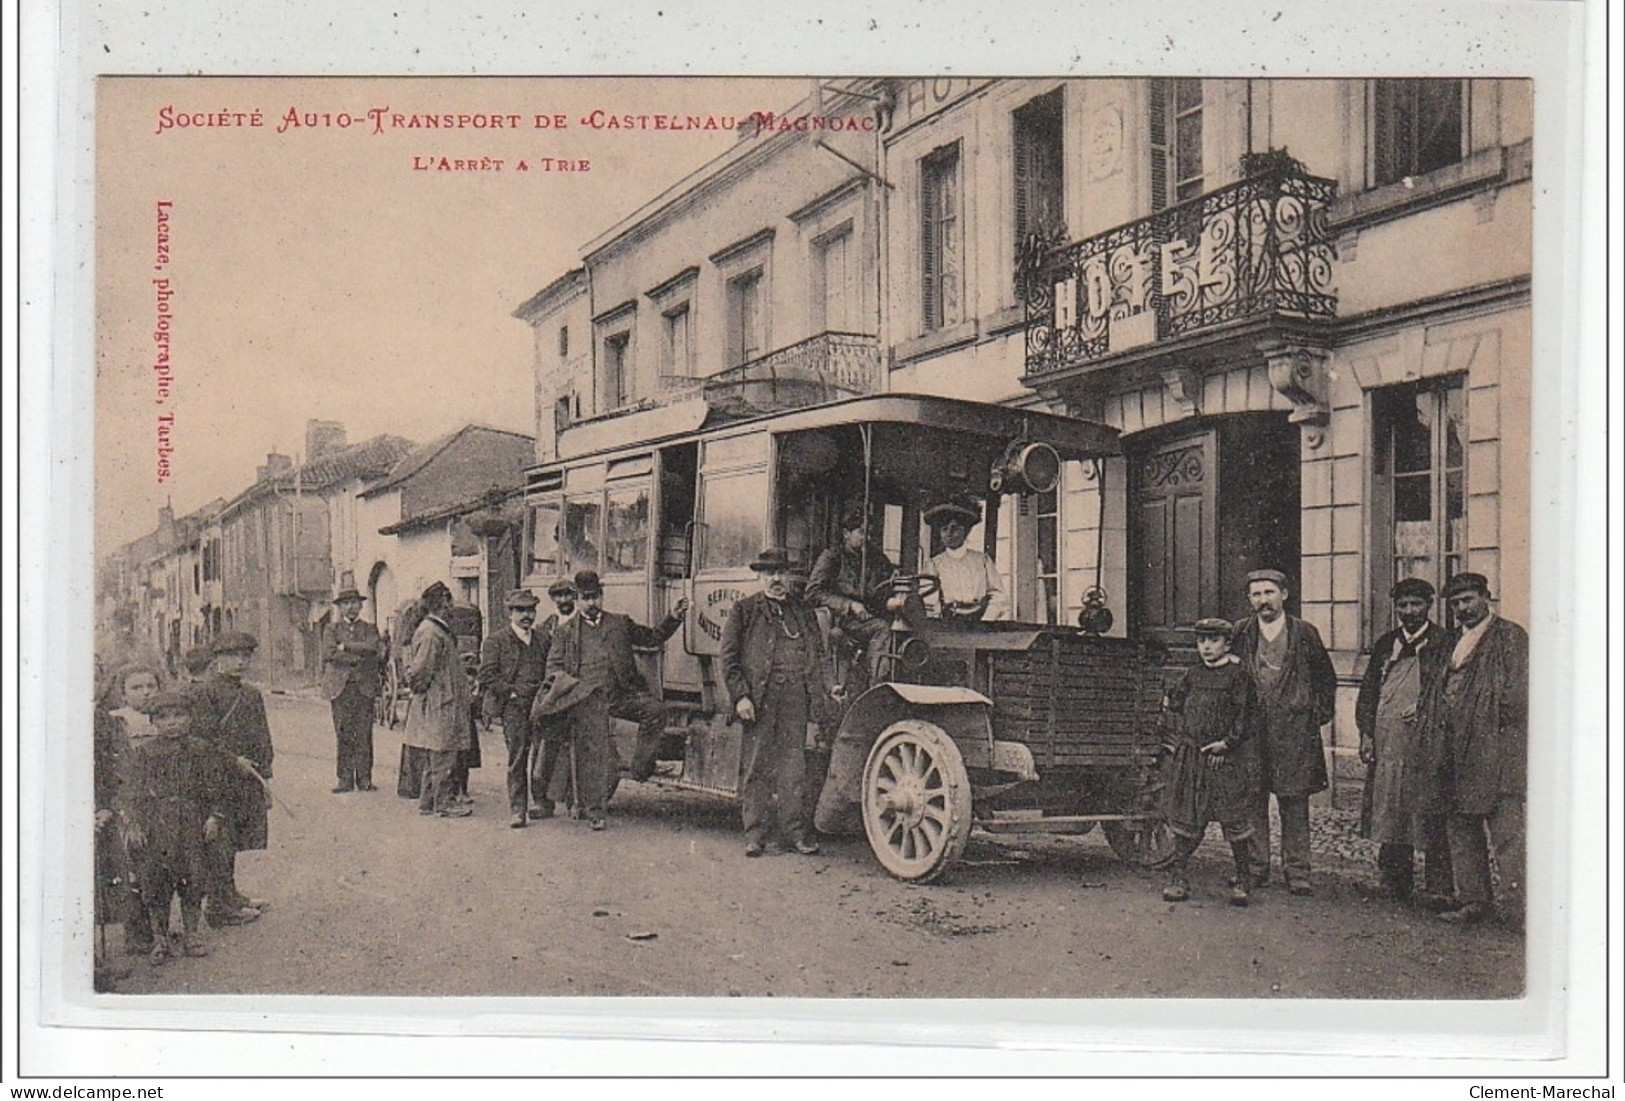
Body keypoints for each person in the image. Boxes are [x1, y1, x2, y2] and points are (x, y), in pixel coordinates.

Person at [1414, 572, 1529, 930]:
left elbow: (1517, 698)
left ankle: (1518, 910)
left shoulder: (1510, 637)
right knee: (1461, 829)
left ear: (1486, 598)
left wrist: (1482, 723)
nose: (1463, 608)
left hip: (1494, 752)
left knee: (1507, 834)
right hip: (1452, 752)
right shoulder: (1451, 642)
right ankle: (1474, 901)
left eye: (1469, 600)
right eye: (1456, 603)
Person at [722, 548, 842, 857]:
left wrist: (830, 687)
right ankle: (755, 835)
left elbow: (820, 656)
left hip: (795, 697)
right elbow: (730, 660)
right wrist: (741, 697)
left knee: (794, 767)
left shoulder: (802, 612)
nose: (776, 579)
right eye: (769, 573)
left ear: (788, 576)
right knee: (757, 764)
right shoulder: (744, 610)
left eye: (780, 572)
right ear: (760, 576)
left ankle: (795, 832)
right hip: (761, 698)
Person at [543, 570, 684, 829]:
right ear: (578, 599)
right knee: (596, 754)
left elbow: (652, 638)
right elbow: (553, 668)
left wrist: (673, 618)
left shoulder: (619, 623)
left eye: (596, 597)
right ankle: (596, 813)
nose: (592, 603)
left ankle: (641, 766)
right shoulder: (566, 633)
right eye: (586, 598)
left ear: (602, 595)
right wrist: (574, 689)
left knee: (656, 710)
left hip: (621, 696)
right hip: (586, 702)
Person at [1231, 569, 1336, 896]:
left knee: (1294, 801)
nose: (1263, 600)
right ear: (1250, 600)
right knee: (1253, 799)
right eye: (1256, 594)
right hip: (1251, 732)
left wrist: (1313, 715)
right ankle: (1255, 867)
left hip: (1293, 732)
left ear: (1284, 595)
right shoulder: (1241, 632)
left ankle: (1298, 871)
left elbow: (1325, 679)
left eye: (1269, 592)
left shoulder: (1305, 633)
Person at [116, 691, 235, 965]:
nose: (172, 722)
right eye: (164, 717)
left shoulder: (202, 751)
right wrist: (134, 823)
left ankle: (192, 933)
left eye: (179, 715)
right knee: (157, 883)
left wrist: (214, 816)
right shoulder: (143, 754)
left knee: (194, 880)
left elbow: (217, 788)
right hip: (157, 826)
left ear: (190, 718)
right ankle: (160, 938)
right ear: (153, 722)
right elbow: (132, 793)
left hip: (193, 825)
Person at [1354, 578, 1454, 905]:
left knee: (1430, 807)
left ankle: (1439, 887)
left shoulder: (1444, 642)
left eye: (1416, 604)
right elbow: (1369, 692)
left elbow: (1450, 689)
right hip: (1389, 741)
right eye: (1403, 605)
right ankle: (1395, 881)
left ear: (1429, 606)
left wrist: (1426, 706)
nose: (1409, 612)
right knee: (1391, 807)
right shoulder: (1386, 643)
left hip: (1427, 742)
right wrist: (1367, 734)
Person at [1156, 618, 1261, 905]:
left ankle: (1243, 880)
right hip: (1193, 757)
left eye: (1213, 640)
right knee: (1188, 818)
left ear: (1227, 644)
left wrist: (1227, 744)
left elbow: (1246, 717)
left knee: (1234, 819)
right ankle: (1178, 879)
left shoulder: (1239, 676)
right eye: (1201, 641)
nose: (1206, 647)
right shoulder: (1192, 675)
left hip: (1225, 760)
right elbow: (1176, 704)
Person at [187, 631, 272, 927]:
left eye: (245, 656)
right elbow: (201, 739)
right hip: (216, 777)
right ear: (217, 660)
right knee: (220, 840)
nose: (240, 662)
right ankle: (218, 906)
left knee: (235, 837)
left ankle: (230, 893)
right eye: (232, 656)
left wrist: (266, 773)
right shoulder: (205, 693)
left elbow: (262, 736)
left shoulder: (251, 693)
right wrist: (232, 760)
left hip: (246, 777)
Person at [479, 589, 552, 829]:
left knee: (542, 754)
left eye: (530, 610)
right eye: (520, 610)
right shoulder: (496, 641)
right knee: (518, 756)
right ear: (510, 613)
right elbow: (488, 674)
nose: (526, 616)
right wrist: (509, 693)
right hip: (514, 707)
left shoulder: (543, 639)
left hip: (541, 705)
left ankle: (541, 801)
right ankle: (517, 809)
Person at [402, 581, 474, 818]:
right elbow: (419, 671)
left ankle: (428, 802)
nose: (452, 606)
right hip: (440, 702)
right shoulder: (432, 632)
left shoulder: (435, 629)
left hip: (442, 699)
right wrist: (432, 693)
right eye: (449, 601)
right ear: (443, 603)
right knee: (442, 751)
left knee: (438, 751)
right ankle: (442, 804)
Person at [807, 505, 896, 682]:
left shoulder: (878, 560)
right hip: (842, 621)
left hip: (869, 618)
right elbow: (812, 593)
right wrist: (848, 605)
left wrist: (890, 600)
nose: (867, 538)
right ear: (847, 534)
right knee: (883, 628)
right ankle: (877, 684)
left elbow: (883, 590)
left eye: (869, 533)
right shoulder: (832, 557)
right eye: (862, 533)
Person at [321, 587, 383, 793]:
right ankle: (344, 779)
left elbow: (373, 648)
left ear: (361, 605)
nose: (351, 607)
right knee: (343, 732)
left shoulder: (370, 628)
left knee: (364, 734)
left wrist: (345, 647)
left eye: (355, 603)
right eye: (346, 603)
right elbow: (329, 653)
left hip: (364, 687)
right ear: (339, 607)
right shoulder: (331, 629)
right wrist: (358, 656)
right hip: (340, 688)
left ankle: (364, 778)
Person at [529, 578, 578, 814]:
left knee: (578, 748)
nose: (563, 600)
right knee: (545, 747)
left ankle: (574, 801)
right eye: (558, 596)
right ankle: (542, 800)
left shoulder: (584, 624)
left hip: (577, 692)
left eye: (568, 595)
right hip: (553, 694)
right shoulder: (545, 628)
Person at [920, 498, 1007, 622]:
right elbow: (929, 599)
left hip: (980, 621)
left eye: (955, 528)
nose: (949, 534)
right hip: (948, 622)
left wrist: (987, 619)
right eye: (944, 529)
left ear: (965, 532)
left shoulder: (982, 561)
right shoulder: (933, 564)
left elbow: (999, 596)